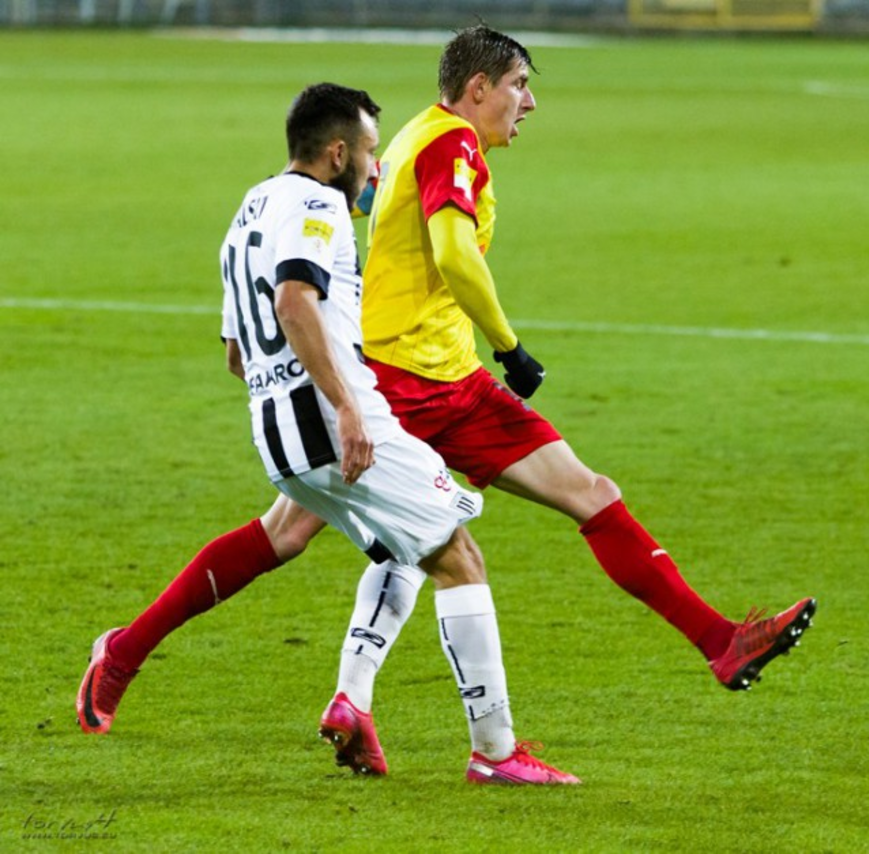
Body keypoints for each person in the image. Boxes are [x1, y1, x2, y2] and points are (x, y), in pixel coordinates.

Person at [78, 82, 577, 786]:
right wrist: (344, 405)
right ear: (338, 153)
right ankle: (494, 753)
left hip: (277, 429)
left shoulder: (251, 207)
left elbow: (234, 351)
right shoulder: (319, 207)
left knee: (313, 536)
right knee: (458, 554)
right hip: (336, 421)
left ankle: (152, 658)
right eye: (370, 152)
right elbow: (293, 301)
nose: (376, 168)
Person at [360, 24, 817, 690]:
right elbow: (454, 254)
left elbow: (372, 203)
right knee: (303, 534)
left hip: (445, 377)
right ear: (478, 88)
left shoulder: (417, 133)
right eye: (519, 85)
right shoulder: (450, 143)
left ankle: (723, 642)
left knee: (592, 495)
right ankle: (356, 701)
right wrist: (510, 347)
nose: (529, 102)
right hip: (405, 384)